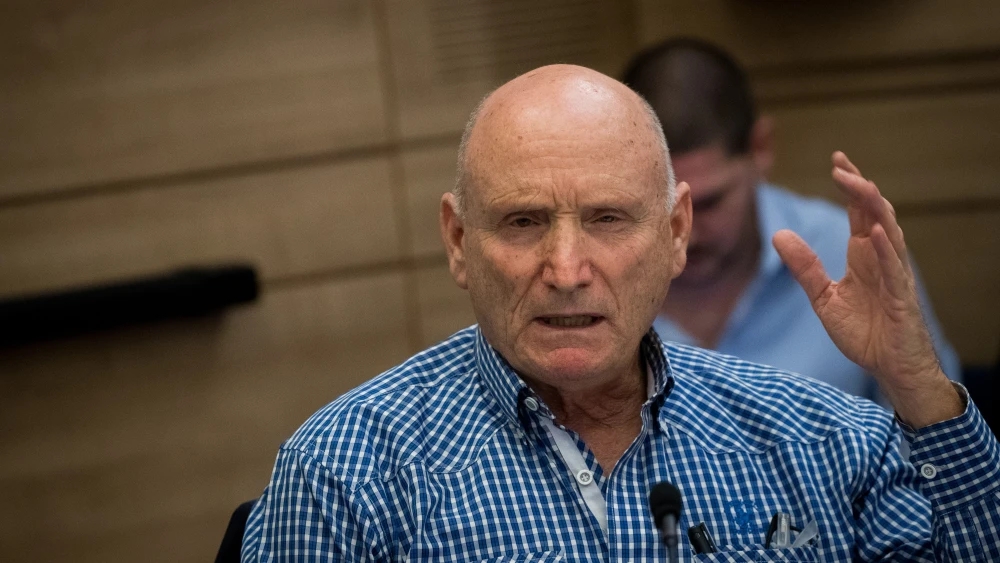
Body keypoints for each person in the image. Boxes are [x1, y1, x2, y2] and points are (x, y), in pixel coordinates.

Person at [240, 65, 998, 561]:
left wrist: (917, 385)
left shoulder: (829, 441)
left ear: (674, 234)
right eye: (523, 222)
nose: (567, 272)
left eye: (608, 219)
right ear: (459, 240)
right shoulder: (345, 472)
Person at [623, 39, 961, 400]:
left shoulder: (848, 252)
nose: (687, 236)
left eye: (708, 204)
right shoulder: (593, 272)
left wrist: (912, 382)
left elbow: (936, 445)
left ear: (761, 148)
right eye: (661, 208)